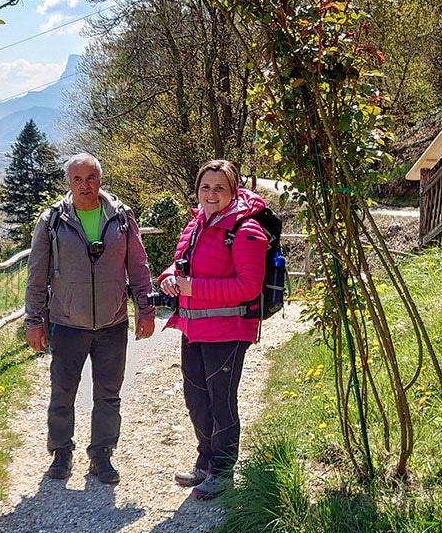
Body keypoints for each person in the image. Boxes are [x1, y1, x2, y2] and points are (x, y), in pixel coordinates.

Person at [25, 152, 156, 484]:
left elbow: (138, 268)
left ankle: (101, 454)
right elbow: (36, 275)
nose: (85, 186)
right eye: (78, 179)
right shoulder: (52, 220)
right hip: (67, 322)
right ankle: (61, 453)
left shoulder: (121, 217)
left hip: (113, 323)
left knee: (108, 393)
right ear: (68, 183)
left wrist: (146, 309)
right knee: (62, 392)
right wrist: (34, 321)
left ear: (100, 179)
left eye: (91, 178)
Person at [157, 159, 268, 500]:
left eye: (219, 187)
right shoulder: (195, 226)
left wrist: (193, 288)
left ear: (233, 191)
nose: (211, 193)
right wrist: (168, 280)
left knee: (221, 401)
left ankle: (221, 470)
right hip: (193, 326)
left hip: (229, 328)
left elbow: (249, 286)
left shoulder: (247, 230)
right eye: (206, 187)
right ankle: (205, 460)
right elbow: (179, 266)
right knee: (196, 399)